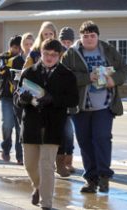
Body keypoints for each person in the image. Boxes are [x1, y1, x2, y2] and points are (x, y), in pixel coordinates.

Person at [62, 20, 127, 193]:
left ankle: (104, 177)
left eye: (92, 36)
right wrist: (87, 78)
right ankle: (91, 180)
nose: (89, 39)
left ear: (98, 37)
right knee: (85, 143)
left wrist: (113, 80)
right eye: (85, 36)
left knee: (102, 138)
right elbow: (64, 77)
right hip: (81, 107)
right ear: (80, 37)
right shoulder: (71, 53)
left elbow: (124, 69)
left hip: (105, 105)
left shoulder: (107, 50)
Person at [14, 39, 78, 210]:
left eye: (54, 55)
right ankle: (38, 187)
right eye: (46, 54)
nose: (49, 58)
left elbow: (73, 100)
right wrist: (22, 99)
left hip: (53, 125)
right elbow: (17, 99)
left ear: (59, 56)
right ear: (40, 53)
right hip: (31, 125)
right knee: (30, 165)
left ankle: (46, 203)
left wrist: (53, 99)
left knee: (47, 166)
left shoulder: (67, 75)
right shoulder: (28, 72)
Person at [0, 35, 23, 164]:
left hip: (20, 97)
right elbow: (2, 71)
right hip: (6, 97)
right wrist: (13, 63)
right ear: (10, 47)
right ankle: (6, 149)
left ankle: (20, 155)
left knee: (20, 127)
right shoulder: (3, 57)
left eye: (19, 48)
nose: (16, 50)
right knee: (7, 124)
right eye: (14, 47)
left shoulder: (25, 59)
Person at [56, 27, 77, 176]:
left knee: (69, 134)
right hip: (58, 103)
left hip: (72, 102)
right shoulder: (56, 54)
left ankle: (68, 161)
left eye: (69, 41)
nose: (66, 44)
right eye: (64, 41)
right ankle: (60, 162)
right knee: (61, 134)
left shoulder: (76, 55)